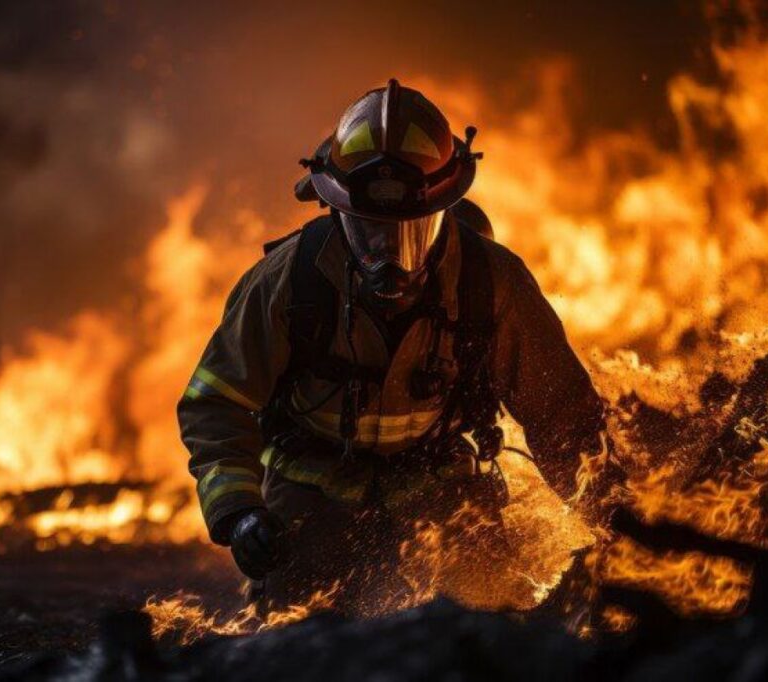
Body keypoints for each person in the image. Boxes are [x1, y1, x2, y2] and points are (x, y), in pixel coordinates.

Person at [178, 79, 621, 613]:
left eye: (411, 233)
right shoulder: (288, 282)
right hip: (312, 498)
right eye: (369, 231)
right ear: (335, 211)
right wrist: (240, 512)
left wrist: (617, 523)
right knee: (300, 644)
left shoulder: (490, 283)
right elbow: (216, 403)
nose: (389, 255)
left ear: (444, 210)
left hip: (440, 490)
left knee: (486, 625)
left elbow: (561, 417)